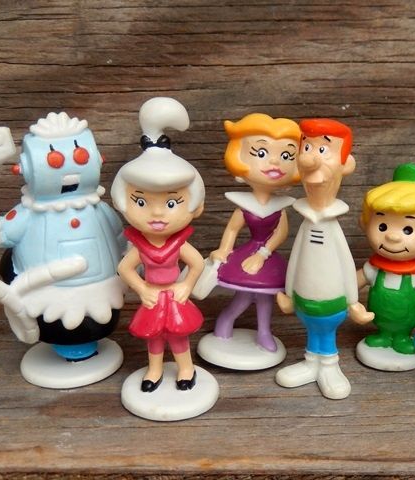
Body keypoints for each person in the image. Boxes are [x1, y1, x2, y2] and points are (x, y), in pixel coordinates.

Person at [275, 118, 372, 400]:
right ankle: (311, 362)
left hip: (333, 301)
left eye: (323, 150)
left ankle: (328, 365)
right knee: (312, 329)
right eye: (306, 147)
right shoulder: (306, 224)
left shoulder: (332, 229)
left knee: (326, 332)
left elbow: (345, 264)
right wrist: (290, 294)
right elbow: (296, 258)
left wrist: (353, 301)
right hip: (304, 300)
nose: (310, 159)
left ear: (346, 165)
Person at [113, 97, 205, 392]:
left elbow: (197, 263)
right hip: (153, 295)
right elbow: (124, 269)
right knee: (153, 336)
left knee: (177, 334)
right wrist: (142, 289)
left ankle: (186, 368)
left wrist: (186, 285)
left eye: (171, 203)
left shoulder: (178, 243)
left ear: (195, 205)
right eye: (140, 202)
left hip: (173, 295)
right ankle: (154, 370)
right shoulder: (140, 245)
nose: (156, 214)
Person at [208, 113, 301, 354]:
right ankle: (225, 322)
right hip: (246, 253)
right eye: (261, 153)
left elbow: (280, 233)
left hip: (266, 255)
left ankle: (264, 332)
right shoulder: (244, 206)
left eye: (286, 155)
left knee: (265, 297)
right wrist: (224, 249)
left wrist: (263, 254)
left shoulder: (280, 207)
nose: (275, 162)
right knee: (244, 296)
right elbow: (232, 228)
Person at [356, 163, 415, 370]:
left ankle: (401, 337)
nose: (392, 236)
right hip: (377, 318)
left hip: (407, 321)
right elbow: (353, 284)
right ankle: (383, 335)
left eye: (408, 229)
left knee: (402, 335)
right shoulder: (374, 268)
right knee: (381, 330)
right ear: (365, 224)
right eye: (382, 226)